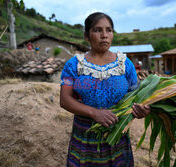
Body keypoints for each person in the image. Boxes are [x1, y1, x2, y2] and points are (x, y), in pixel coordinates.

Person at [60, 12, 151, 167]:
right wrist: (94, 112)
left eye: (109, 30)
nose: (104, 35)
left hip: (117, 136)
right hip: (85, 137)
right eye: (97, 30)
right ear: (87, 36)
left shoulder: (125, 64)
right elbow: (65, 100)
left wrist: (142, 110)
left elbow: (136, 97)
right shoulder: (74, 65)